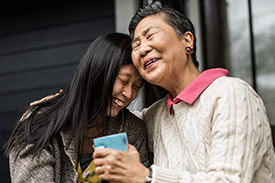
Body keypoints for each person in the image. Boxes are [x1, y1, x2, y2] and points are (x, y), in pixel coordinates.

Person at [92, 3, 275, 183]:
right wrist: (65, 102)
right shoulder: (156, 115)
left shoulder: (231, 94)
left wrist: (146, 177)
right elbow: (110, 118)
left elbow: (228, 180)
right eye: (136, 45)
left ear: (187, 40)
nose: (143, 49)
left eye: (150, 36)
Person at [4, 32, 150, 183]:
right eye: (123, 81)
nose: (129, 94)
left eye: (137, 86)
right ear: (98, 72)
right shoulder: (39, 123)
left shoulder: (132, 131)